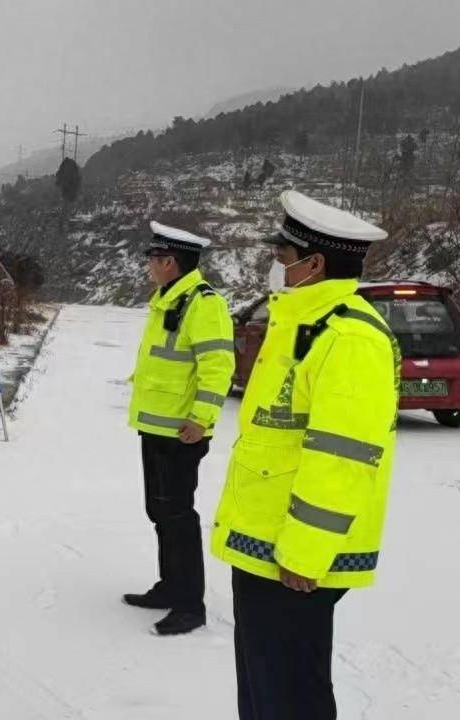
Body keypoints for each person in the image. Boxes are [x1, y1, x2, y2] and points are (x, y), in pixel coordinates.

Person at [212, 190, 399, 719]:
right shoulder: (298, 321)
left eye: (283, 254)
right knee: (265, 685)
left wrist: (306, 553)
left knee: (291, 695)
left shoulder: (349, 337)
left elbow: (343, 456)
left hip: (293, 558)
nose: (275, 264)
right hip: (266, 541)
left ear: (315, 264)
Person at [124, 222, 235, 636]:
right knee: (160, 511)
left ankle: (190, 605)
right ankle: (170, 586)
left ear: (170, 262)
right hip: (157, 427)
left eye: (153, 260)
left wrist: (201, 419)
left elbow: (218, 365)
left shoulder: (203, 304)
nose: (149, 267)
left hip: (181, 432)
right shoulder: (169, 298)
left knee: (177, 515)